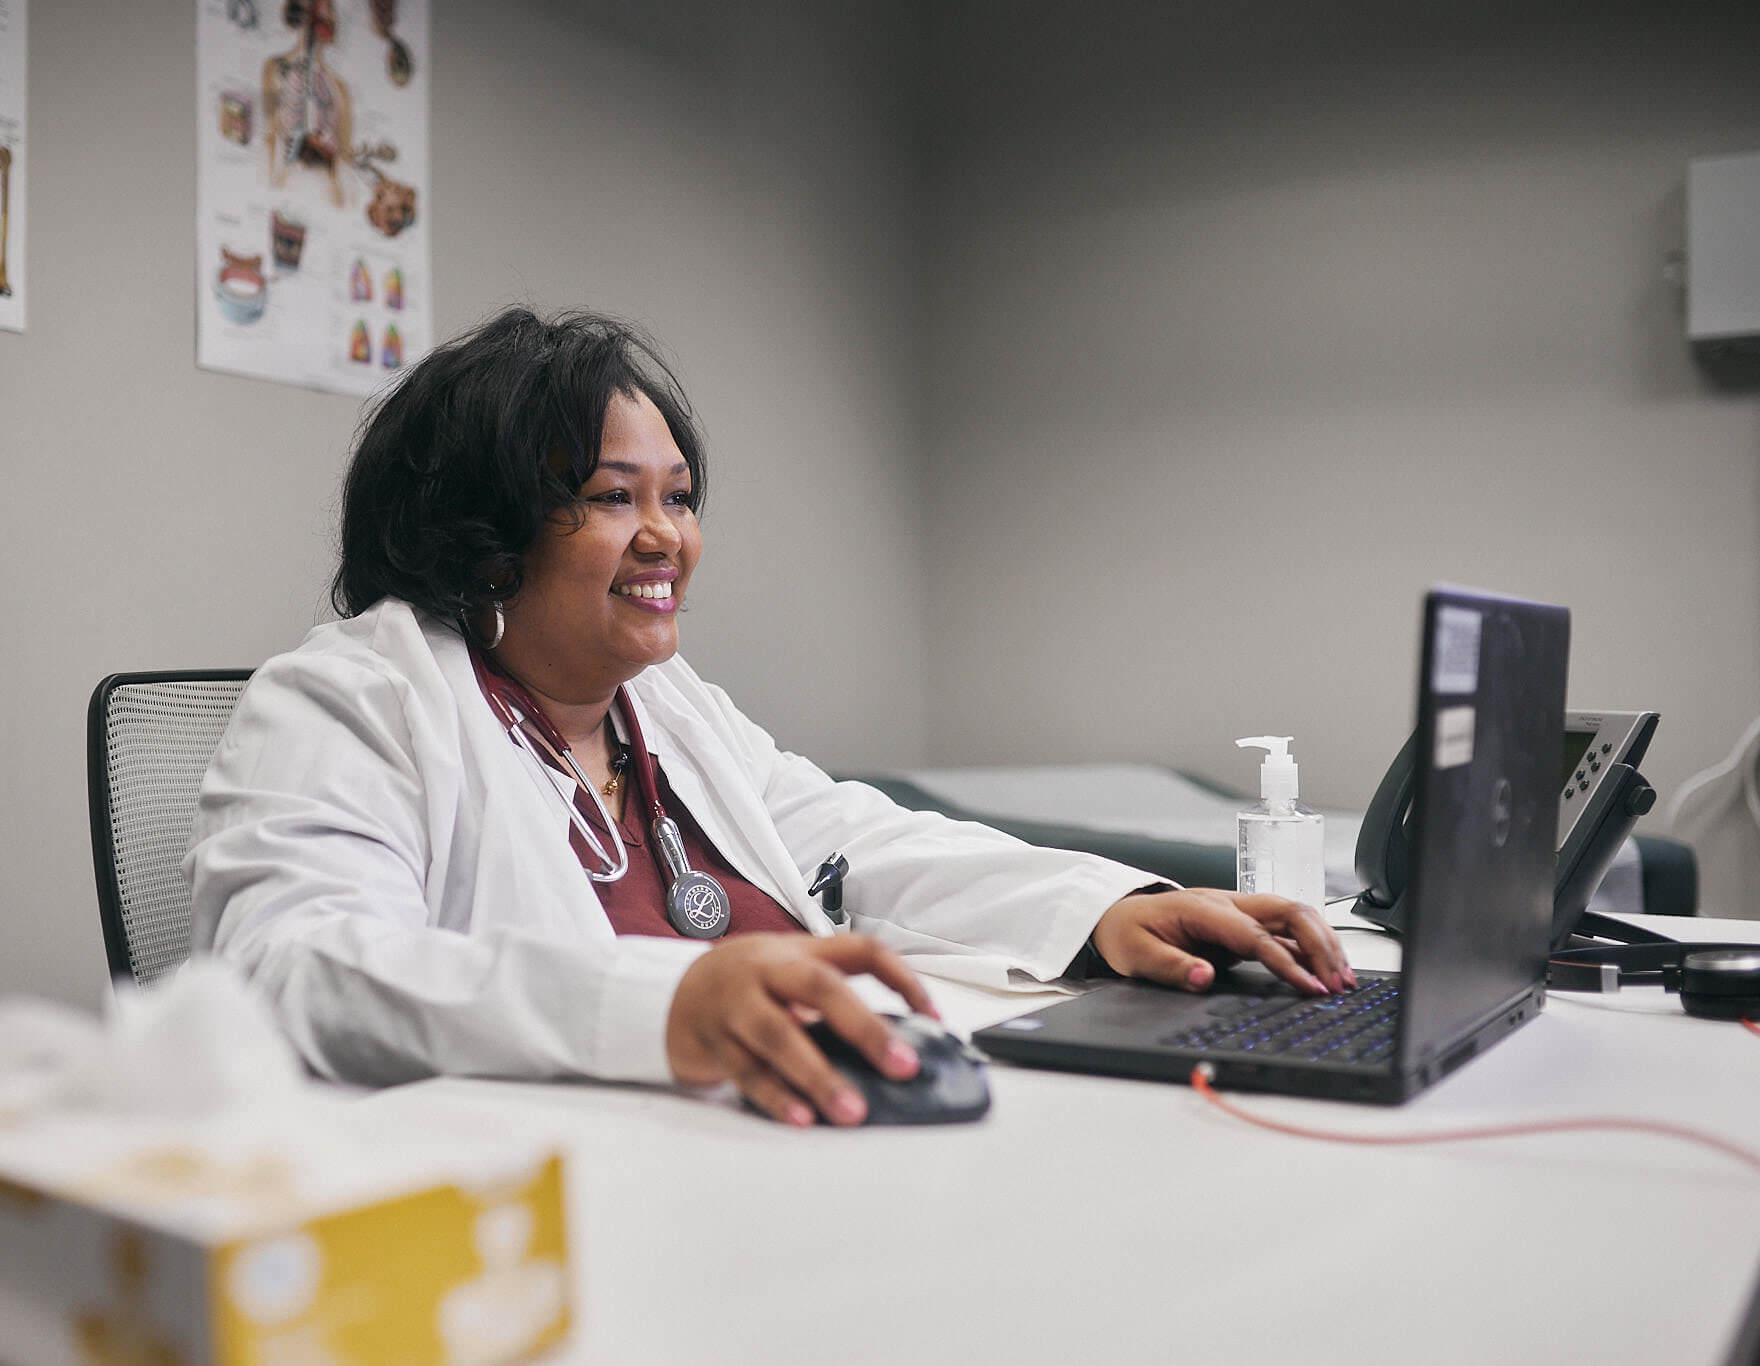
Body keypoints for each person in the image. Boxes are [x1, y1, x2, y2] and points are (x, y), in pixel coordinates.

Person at [186, 307, 1353, 1128]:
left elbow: (857, 834)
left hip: (768, 1145)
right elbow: (298, 968)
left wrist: (1109, 907)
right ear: (481, 529)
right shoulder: (353, 698)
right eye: (611, 497)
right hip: (544, 1196)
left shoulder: (659, 708)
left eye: (679, 497)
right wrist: (659, 1003)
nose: (668, 537)